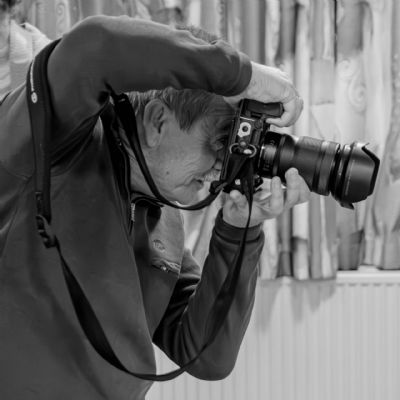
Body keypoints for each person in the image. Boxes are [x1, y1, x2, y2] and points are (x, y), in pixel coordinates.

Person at [0, 15, 309, 400]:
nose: (223, 164)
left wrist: (238, 229)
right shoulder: (55, 137)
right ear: (157, 121)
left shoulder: (164, 218)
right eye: (219, 141)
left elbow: (207, 357)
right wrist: (241, 76)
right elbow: (93, 44)